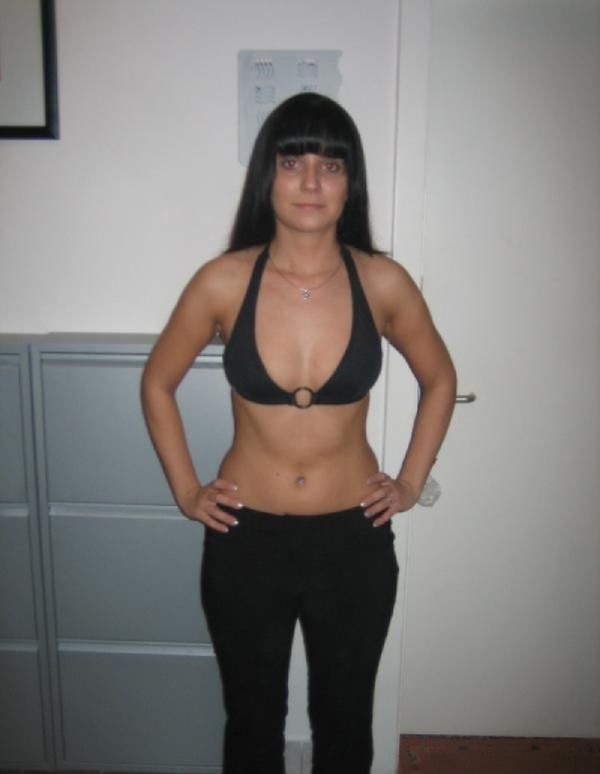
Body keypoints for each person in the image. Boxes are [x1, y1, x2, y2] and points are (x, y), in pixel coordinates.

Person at [141, 92, 456, 774]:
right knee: (252, 720)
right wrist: (187, 491)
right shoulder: (223, 281)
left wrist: (408, 484)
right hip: (245, 538)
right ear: (268, 176)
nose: (312, 181)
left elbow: (440, 379)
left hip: (352, 543)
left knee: (344, 720)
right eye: (293, 162)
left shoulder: (383, 282)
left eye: (331, 165)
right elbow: (157, 382)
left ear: (350, 183)